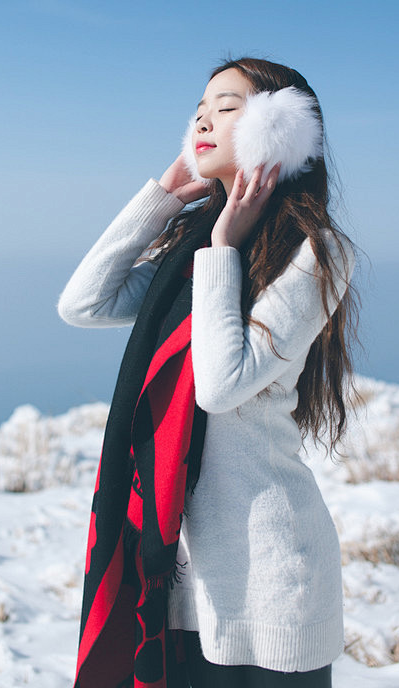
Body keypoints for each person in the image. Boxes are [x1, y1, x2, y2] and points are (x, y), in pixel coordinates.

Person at [58, 58, 359, 688]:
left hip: (274, 577)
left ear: (278, 131)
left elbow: (221, 384)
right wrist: (160, 201)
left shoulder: (315, 249)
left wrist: (224, 247)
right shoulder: (189, 255)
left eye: (226, 106)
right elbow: (83, 303)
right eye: (199, 108)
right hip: (183, 574)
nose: (202, 117)